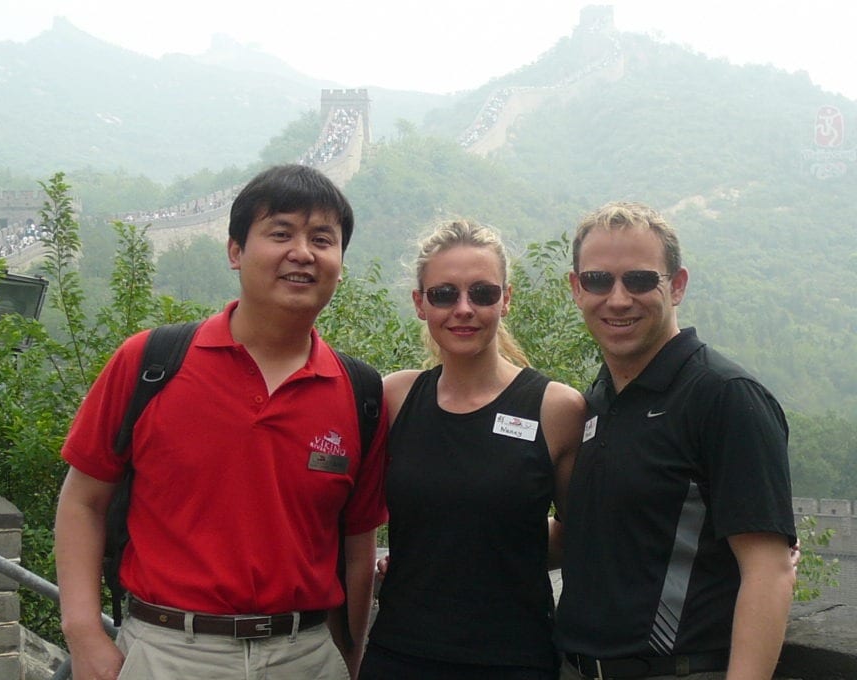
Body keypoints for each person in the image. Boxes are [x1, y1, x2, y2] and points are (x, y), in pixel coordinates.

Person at [54, 164, 388, 680]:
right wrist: (83, 633)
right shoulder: (152, 362)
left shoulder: (360, 394)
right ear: (235, 251)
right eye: (280, 233)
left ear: (340, 262)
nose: (302, 252)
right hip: (168, 652)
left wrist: (348, 654)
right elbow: (83, 501)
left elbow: (358, 543)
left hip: (305, 655)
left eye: (323, 239)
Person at [556, 201, 796, 680]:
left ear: (677, 285)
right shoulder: (598, 401)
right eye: (599, 280)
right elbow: (582, 537)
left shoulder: (724, 398)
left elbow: (768, 571)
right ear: (577, 289)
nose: (618, 299)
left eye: (641, 280)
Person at [359, 219, 586, 680]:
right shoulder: (395, 398)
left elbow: (576, 533)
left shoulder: (556, 408)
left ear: (506, 299)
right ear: (420, 304)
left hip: (513, 656)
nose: (463, 308)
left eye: (482, 293)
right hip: (400, 653)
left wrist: (486, 546)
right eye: (444, 294)